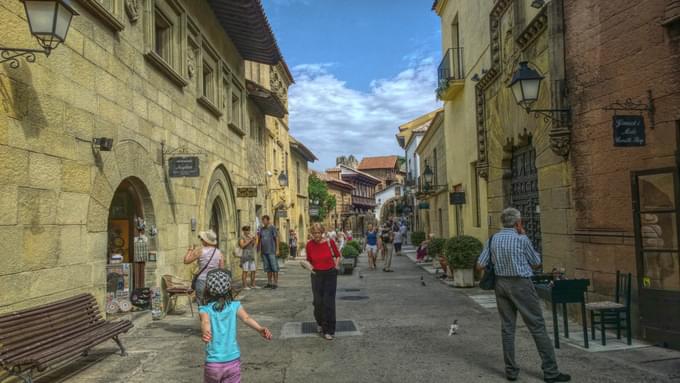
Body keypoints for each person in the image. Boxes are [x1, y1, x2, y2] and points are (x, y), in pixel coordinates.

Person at [476, 208, 570, 383]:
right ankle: (551, 371)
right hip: (521, 284)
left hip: (501, 285)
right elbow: (536, 263)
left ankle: (511, 371)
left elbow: (480, 265)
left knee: (507, 328)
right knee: (537, 326)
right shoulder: (521, 239)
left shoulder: (492, 239)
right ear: (518, 223)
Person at [199, 269, 272, 383]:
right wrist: (259, 328)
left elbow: (205, 322)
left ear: (208, 289)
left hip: (213, 363)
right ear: (229, 288)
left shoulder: (205, 309)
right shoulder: (234, 306)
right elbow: (246, 318)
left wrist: (206, 333)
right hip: (232, 361)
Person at [305, 222, 341, 340]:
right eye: (314, 233)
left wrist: (336, 266)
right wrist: (307, 266)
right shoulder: (309, 245)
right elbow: (309, 260)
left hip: (330, 273)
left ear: (322, 233)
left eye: (318, 233)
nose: (316, 235)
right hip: (316, 274)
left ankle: (329, 330)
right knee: (318, 302)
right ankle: (320, 322)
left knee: (328, 302)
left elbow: (337, 255)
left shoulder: (330, 242)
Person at [184, 230, 224, 305]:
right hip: (214, 281)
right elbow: (221, 269)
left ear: (205, 241)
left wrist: (190, 250)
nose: (201, 241)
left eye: (202, 239)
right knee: (213, 304)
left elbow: (186, 261)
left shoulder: (200, 251)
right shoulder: (219, 253)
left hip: (202, 280)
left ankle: (203, 316)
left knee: (201, 305)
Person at [257, 215, 279, 289]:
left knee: (274, 268)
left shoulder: (272, 228)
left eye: (265, 220)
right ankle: (269, 282)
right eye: (263, 220)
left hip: (271, 251)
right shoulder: (262, 229)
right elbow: (259, 238)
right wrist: (258, 247)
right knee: (267, 268)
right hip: (264, 251)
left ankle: (275, 283)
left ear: (268, 220)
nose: (263, 222)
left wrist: (277, 249)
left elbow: (276, 239)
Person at [238, 226, 258, 290]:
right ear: (243, 231)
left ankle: (253, 284)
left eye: (248, 230)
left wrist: (254, 240)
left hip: (251, 255)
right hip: (245, 256)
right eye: (246, 230)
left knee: (253, 270)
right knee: (245, 271)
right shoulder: (241, 237)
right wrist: (249, 240)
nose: (247, 231)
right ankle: (245, 285)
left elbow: (254, 245)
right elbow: (242, 246)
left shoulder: (250, 237)